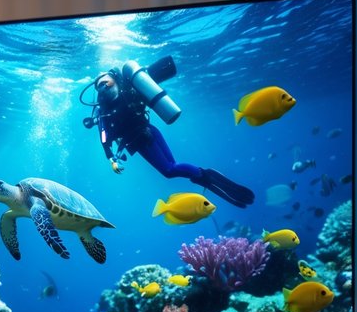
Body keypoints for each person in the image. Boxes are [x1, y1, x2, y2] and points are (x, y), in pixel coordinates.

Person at [85, 66, 255, 208]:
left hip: (145, 138)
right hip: (147, 134)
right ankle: (205, 177)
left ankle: (205, 177)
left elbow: (105, 136)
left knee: (169, 170)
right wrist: (112, 159)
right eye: (99, 85)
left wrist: (111, 159)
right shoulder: (103, 111)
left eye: (106, 81)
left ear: (116, 80)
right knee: (173, 167)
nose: (103, 86)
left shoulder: (128, 92)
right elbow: (104, 136)